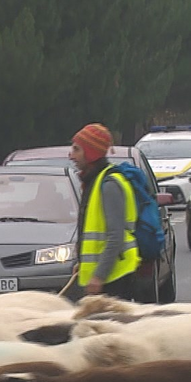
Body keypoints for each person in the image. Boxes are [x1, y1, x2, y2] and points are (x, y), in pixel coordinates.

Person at [69, 123, 140, 300]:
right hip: (108, 275)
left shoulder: (109, 184)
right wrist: (83, 263)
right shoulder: (95, 181)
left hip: (115, 276)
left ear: (91, 152)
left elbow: (115, 236)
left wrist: (99, 276)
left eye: (77, 149)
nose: (71, 155)